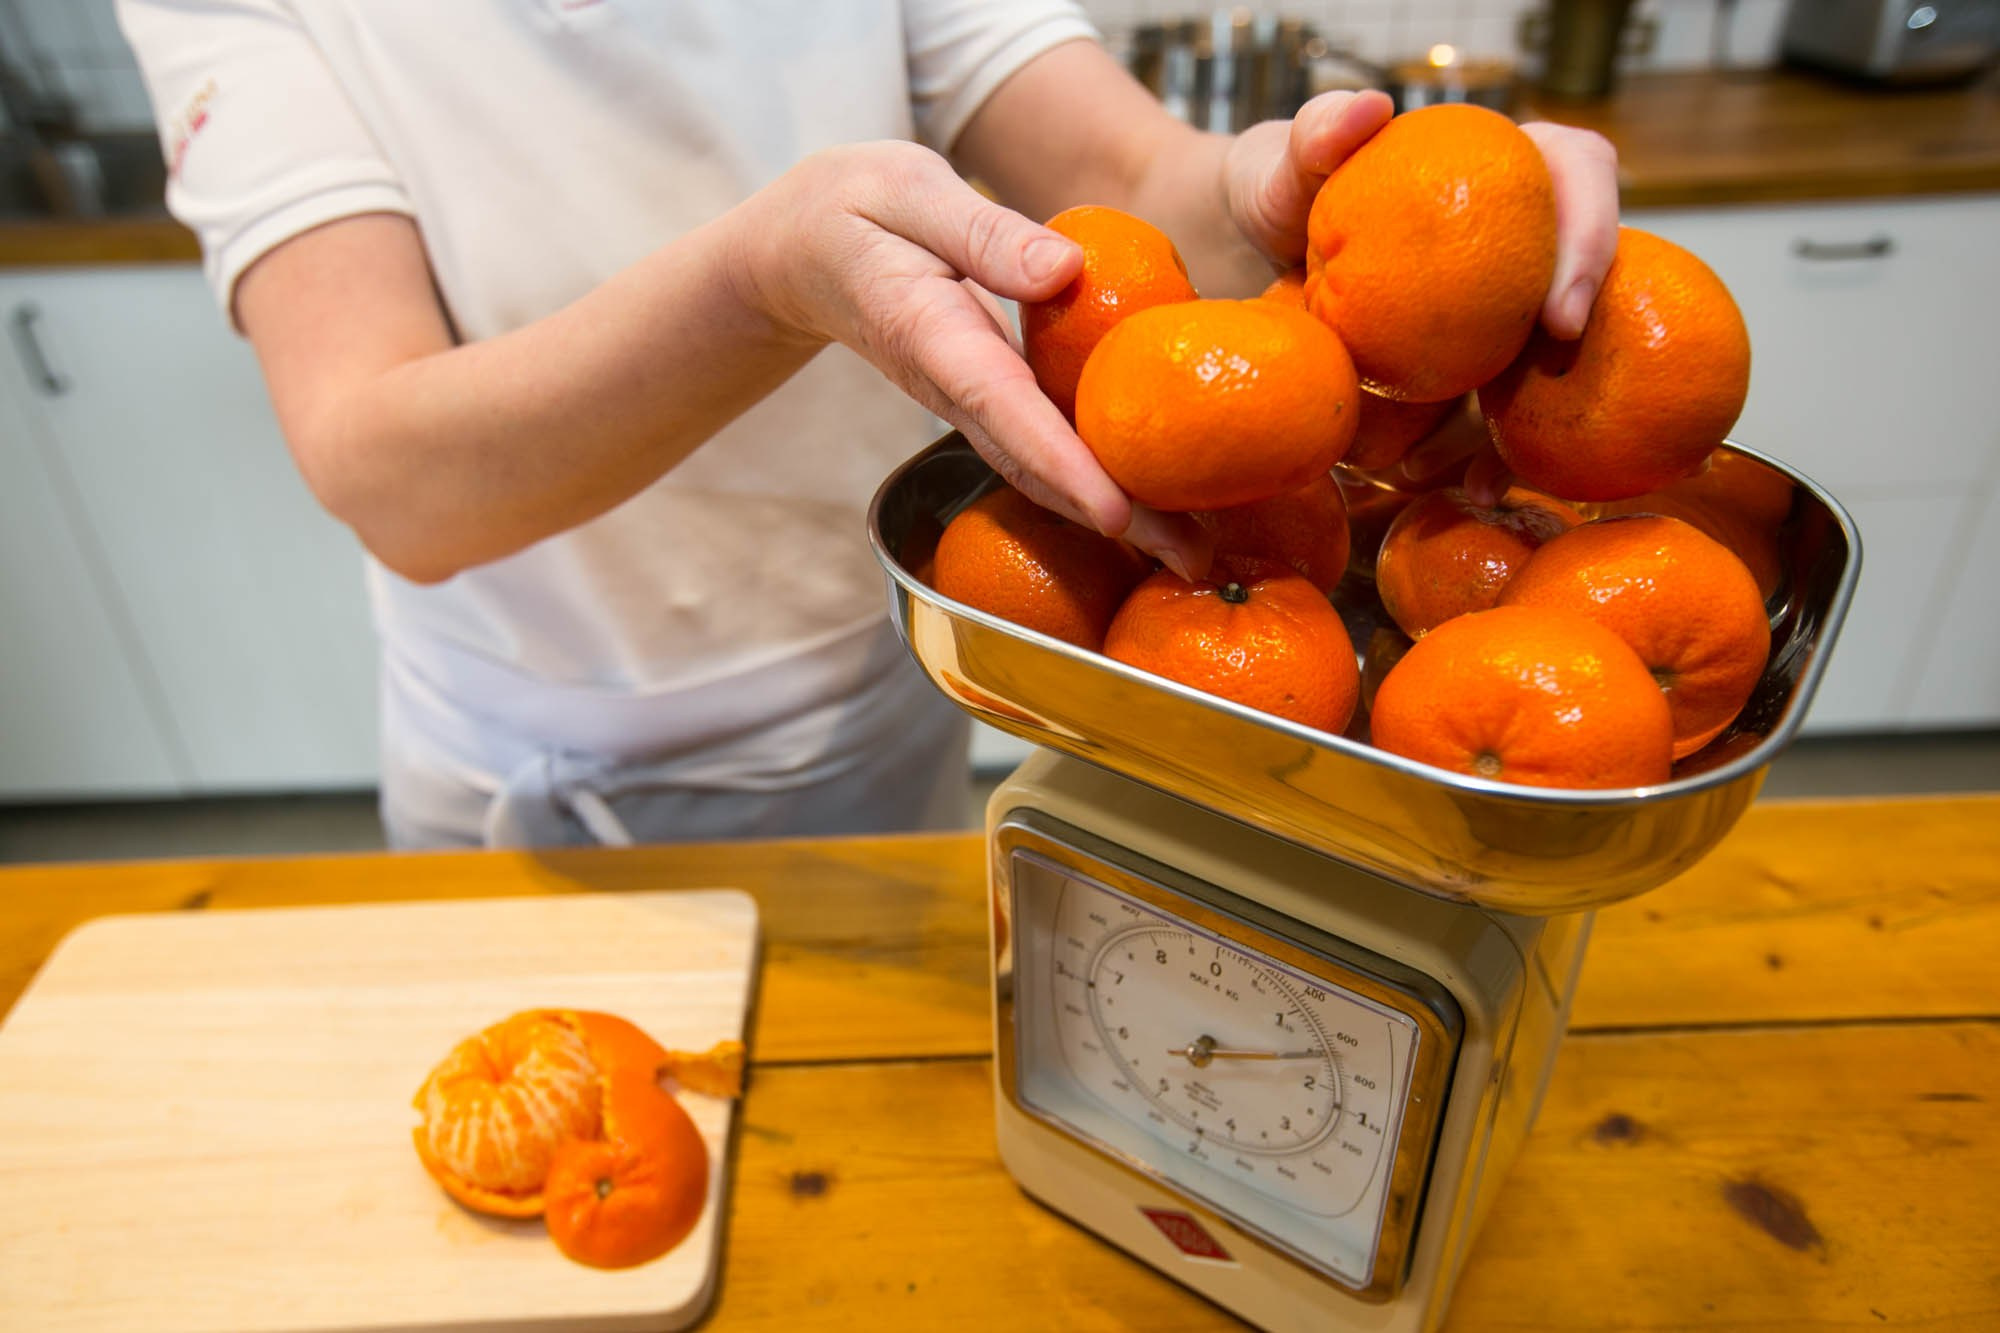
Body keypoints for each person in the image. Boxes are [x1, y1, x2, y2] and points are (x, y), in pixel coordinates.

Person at [116, 1, 1619, 850]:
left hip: (879, 704)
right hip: (532, 762)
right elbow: (390, 479)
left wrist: (1269, 191)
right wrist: (756, 285)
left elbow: (1120, 186)